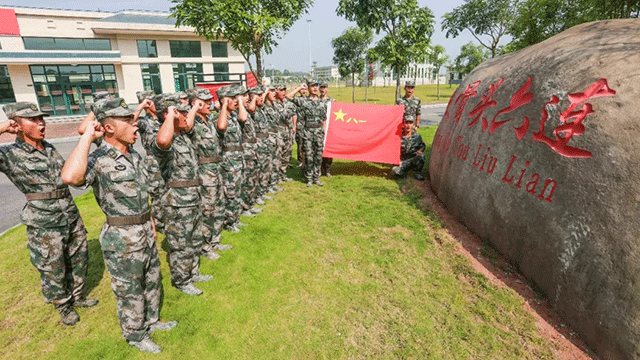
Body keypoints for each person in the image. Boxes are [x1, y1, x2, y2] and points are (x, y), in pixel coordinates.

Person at [61, 98, 175, 353]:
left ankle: (152, 321)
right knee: (130, 290)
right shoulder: (99, 159)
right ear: (109, 128)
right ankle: (135, 335)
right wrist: (87, 138)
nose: (136, 125)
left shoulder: (133, 155)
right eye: (128, 121)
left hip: (144, 230)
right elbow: (70, 177)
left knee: (152, 280)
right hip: (121, 239)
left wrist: (151, 222)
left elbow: (140, 194)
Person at [0, 102, 96, 326]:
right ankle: (63, 306)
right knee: (53, 265)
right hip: (44, 220)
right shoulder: (9, 153)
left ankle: (77, 296)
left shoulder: (50, 148)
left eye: (41, 118)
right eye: (33, 120)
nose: (41, 123)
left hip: (69, 212)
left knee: (78, 257)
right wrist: (3, 128)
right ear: (18, 125)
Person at [154, 95, 211, 296]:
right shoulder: (163, 137)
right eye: (182, 113)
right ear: (168, 115)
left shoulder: (183, 136)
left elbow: (190, 126)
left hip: (193, 197)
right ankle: (181, 280)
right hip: (177, 202)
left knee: (195, 238)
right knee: (181, 243)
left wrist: (183, 116)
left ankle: (193, 272)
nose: (187, 116)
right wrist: (171, 115)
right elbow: (162, 141)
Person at [187, 88, 233, 259]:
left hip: (217, 168)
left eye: (209, 101)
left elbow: (222, 127)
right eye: (204, 101)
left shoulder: (209, 120)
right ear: (195, 103)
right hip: (204, 173)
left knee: (219, 206)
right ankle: (205, 246)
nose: (208, 104)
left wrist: (221, 106)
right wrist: (193, 108)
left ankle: (215, 240)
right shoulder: (193, 121)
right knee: (207, 210)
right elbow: (187, 127)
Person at [215, 85, 248, 232]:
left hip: (238, 158)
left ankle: (235, 219)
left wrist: (239, 103)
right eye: (233, 98)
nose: (236, 101)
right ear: (224, 100)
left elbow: (243, 117)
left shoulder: (234, 116)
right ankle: (229, 222)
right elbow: (221, 127)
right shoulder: (219, 117)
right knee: (230, 192)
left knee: (238, 190)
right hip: (228, 161)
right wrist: (223, 106)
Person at [287, 79, 328, 187]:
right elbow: (289, 97)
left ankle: (316, 178)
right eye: (312, 86)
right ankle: (309, 178)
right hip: (308, 132)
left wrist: (323, 131)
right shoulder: (304, 101)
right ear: (308, 88)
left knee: (318, 157)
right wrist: (300, 87)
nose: (315, 88)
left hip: (318, 132)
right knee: (309, 157)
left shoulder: (322, 102)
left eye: (316, 86)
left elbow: (324, 118)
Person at [391, 114, 426, 180]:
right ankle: (403, 171)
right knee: (394, 171)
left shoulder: (417, 137)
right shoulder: (398, 136)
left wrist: (420, 150)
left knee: (421, 156)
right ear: (403, 124)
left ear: (413, 125)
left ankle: (417, 173)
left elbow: (423, 146)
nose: (408, 125)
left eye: (410, 123)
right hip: (402, 161)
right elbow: (392, 149)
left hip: (412, 160)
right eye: (406, 123)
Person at [275, 84, 296, 182]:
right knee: (278, 154)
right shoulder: (273, 104)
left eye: (284, 90)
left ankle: (283, 174)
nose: (283, 92)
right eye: (281, 90)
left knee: (287, 154)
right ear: (276, 91)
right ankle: (277, 176)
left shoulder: (285, 103)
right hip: (279, 131)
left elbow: (292, 114)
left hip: (287, 131)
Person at [319, 81, 335, 177]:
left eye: (324, 87)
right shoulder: (316, 100)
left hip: (329, 128)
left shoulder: (332, 101)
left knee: (329, 149)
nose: (322, 89)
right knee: (319, 149)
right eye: (321, 87)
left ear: (327, 88)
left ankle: (328, 168)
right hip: (318, 128)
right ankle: (320, 167)